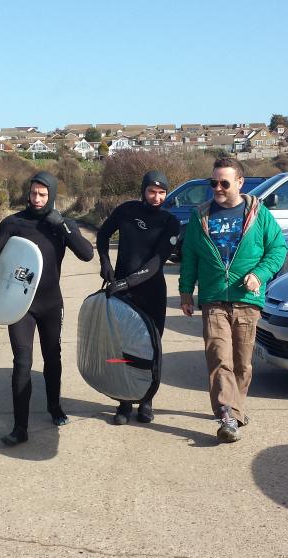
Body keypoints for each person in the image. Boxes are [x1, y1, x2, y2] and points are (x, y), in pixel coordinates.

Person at [0, 171, 94, 446]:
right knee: (22, 362)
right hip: (20, 305)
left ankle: (54, 407)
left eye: (43, 194)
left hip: (51, 304)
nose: (36, 199)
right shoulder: (14, 223)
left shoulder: (62, 225)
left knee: (53, 358)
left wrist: (62, 226)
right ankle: (20, 427)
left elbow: (87, 254)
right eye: (33, 193)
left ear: (52, 195)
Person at [178, 158, 286, 443]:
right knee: (218, 357)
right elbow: (189, 257)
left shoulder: (259, 214)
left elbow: (278, 249)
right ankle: (226, 414)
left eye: (224, 183)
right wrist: (186, 292)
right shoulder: (200, 215)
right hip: (213, 298)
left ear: (240, 182)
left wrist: (259, 275)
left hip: (247, 299)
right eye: (213, 183)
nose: (218, 188)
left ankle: (236, 408)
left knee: (242, 363)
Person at [96, 170, 180, 425]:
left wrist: (125, 282)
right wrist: (105, 263)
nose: (156, 197)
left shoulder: (170, 222)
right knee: (124, 348)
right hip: (123, 292)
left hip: (151, 292)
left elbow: (156, 263)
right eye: (152, 191)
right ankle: (124, 401)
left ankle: (146, 400)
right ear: (143, 190)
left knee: (149, 349)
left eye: (162, 192)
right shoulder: (126, 211)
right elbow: (102, 235)